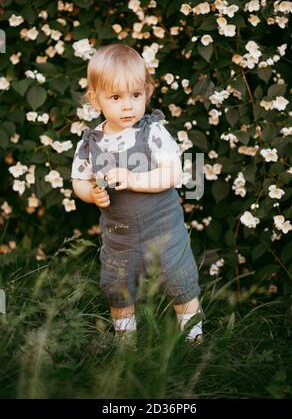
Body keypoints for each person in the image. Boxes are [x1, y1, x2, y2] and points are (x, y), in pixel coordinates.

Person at [71, 44, 203, 347]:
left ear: (146, 92)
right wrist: (91, 194)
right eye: (116, 98)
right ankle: (125, 344)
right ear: (95, 99)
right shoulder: (90, 144)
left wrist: (132, 178)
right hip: (120, 237)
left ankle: (195, 341)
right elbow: (79, 182)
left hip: (163, 228)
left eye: (135, 95)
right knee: (118, 288)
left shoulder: (152, 132)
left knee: (179, 281)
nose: (128, 106)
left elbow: (173, 174)